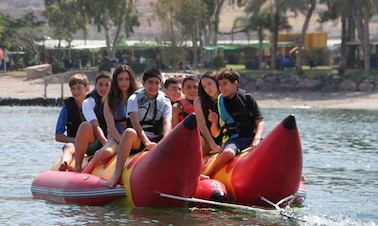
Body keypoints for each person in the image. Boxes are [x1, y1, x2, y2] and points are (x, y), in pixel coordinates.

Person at [107, 67, 172, 188]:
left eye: (157, 83)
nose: (153, 86)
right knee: (129, 132)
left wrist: (165, 142)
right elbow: (136, 123)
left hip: (158, 139)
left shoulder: (165, 101)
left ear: (160, 84)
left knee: (177, 136)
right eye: (150, 82)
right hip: (139, 141)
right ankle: (117, 173)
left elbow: (167, 123)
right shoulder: (134, 99)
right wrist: (146, 142)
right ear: (143, 83)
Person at [203, 69, 264, 178]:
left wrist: (257, 139)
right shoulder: (219, 103)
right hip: (233, 141)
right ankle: (208, 175)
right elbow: (216, 133)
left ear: (235, 83)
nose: (221, 87)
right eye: (220, 85)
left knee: (275, 149)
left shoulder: (247, 98)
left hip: (251, 138)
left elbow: (260, 121)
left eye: (225, 84)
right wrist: (213, 122)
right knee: (228, 153)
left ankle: (294, 175)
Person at [81, 65, 138, 173]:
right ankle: (89, 167)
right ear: (116, 82)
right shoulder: (109, 101)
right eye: (120, 79)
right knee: (107, 152)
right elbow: (111, 127)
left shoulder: (138, 98)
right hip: (115, 137)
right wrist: (123, 143)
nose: (124, 82)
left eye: (127, 79)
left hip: (134, 137)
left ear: (131, 80)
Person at [68, 71, 112, 172]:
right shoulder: (88, 102)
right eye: (100, 85)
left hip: (115, 140)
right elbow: (96, 127)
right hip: (96, 143)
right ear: (95, 86)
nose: (103, 88)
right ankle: (78, 166)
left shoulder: (117, 100)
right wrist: (106, 145)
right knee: (85, 126)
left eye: (107, 85)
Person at [55, 73, 89, 170]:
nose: (75, 92)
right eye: (73, 89)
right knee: (68, 147)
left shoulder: (94, 104)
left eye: (78, 88)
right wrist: (77, 140)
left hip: (93, 143)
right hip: (75, 144)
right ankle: (64, 164)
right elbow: (58, 136)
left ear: (86, 88)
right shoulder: (67, 108)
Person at [193, 72, 222, 157]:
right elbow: (202, 126)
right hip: (207, 138)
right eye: (204, 86)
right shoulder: (198, 101)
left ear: (217, 82)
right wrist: (212, 144)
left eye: (209, 84)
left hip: (224, 135)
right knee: (200, 141)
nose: (207, 88)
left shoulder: (225, 97)